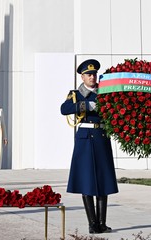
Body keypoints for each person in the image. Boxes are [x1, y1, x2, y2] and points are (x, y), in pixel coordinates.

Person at [61, 59, 119, 234]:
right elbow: (64, 109)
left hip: (101, 137)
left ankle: (102, 222)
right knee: (86, 181)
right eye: (88, 74)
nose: (92, 77)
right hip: (85, 138)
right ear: (82, 77)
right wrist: (85, 104)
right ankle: (92, 223)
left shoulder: (105, 92)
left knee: (103, 180)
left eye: (94, 74)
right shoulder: (76, 94)